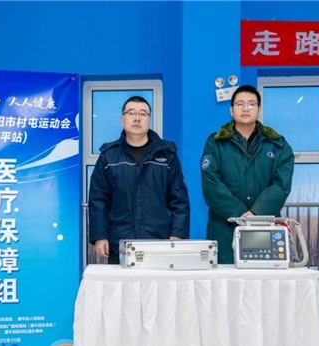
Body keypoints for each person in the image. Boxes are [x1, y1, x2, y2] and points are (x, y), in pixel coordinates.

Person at [88, 95, 190, 264]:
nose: (137, 118)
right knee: (121, 283)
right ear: (122, 119)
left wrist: (177, 234)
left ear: (149, 119)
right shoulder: (108, 156)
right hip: (120, 243)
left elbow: (179, 198)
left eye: (143, 113)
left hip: (160, 241)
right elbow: (98, 200)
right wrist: (100, 236)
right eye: (131, 113)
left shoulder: (166, 155)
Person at [200, 85, 294, 264]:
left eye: (251, 104)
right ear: (231, 110)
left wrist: (256, 213)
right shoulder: (216, 143)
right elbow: (211, 183)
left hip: (265, 227)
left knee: (264, 277)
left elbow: (281, 185)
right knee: (225, 279)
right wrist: (240, 214)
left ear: (259, 109)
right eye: (239, 104)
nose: (245, 108)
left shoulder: (277, 145)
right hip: (224, 227)